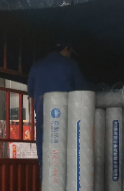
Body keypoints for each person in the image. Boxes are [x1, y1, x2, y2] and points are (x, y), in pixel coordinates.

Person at [28, 40, 86, 175]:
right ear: (66, 48)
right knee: (68, 155)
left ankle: (45, 186)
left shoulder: (36, 67)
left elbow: (31, 92)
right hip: (65, 118)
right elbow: (82, 91)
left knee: (45, 156)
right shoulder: (70, 65)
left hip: (43, 117)